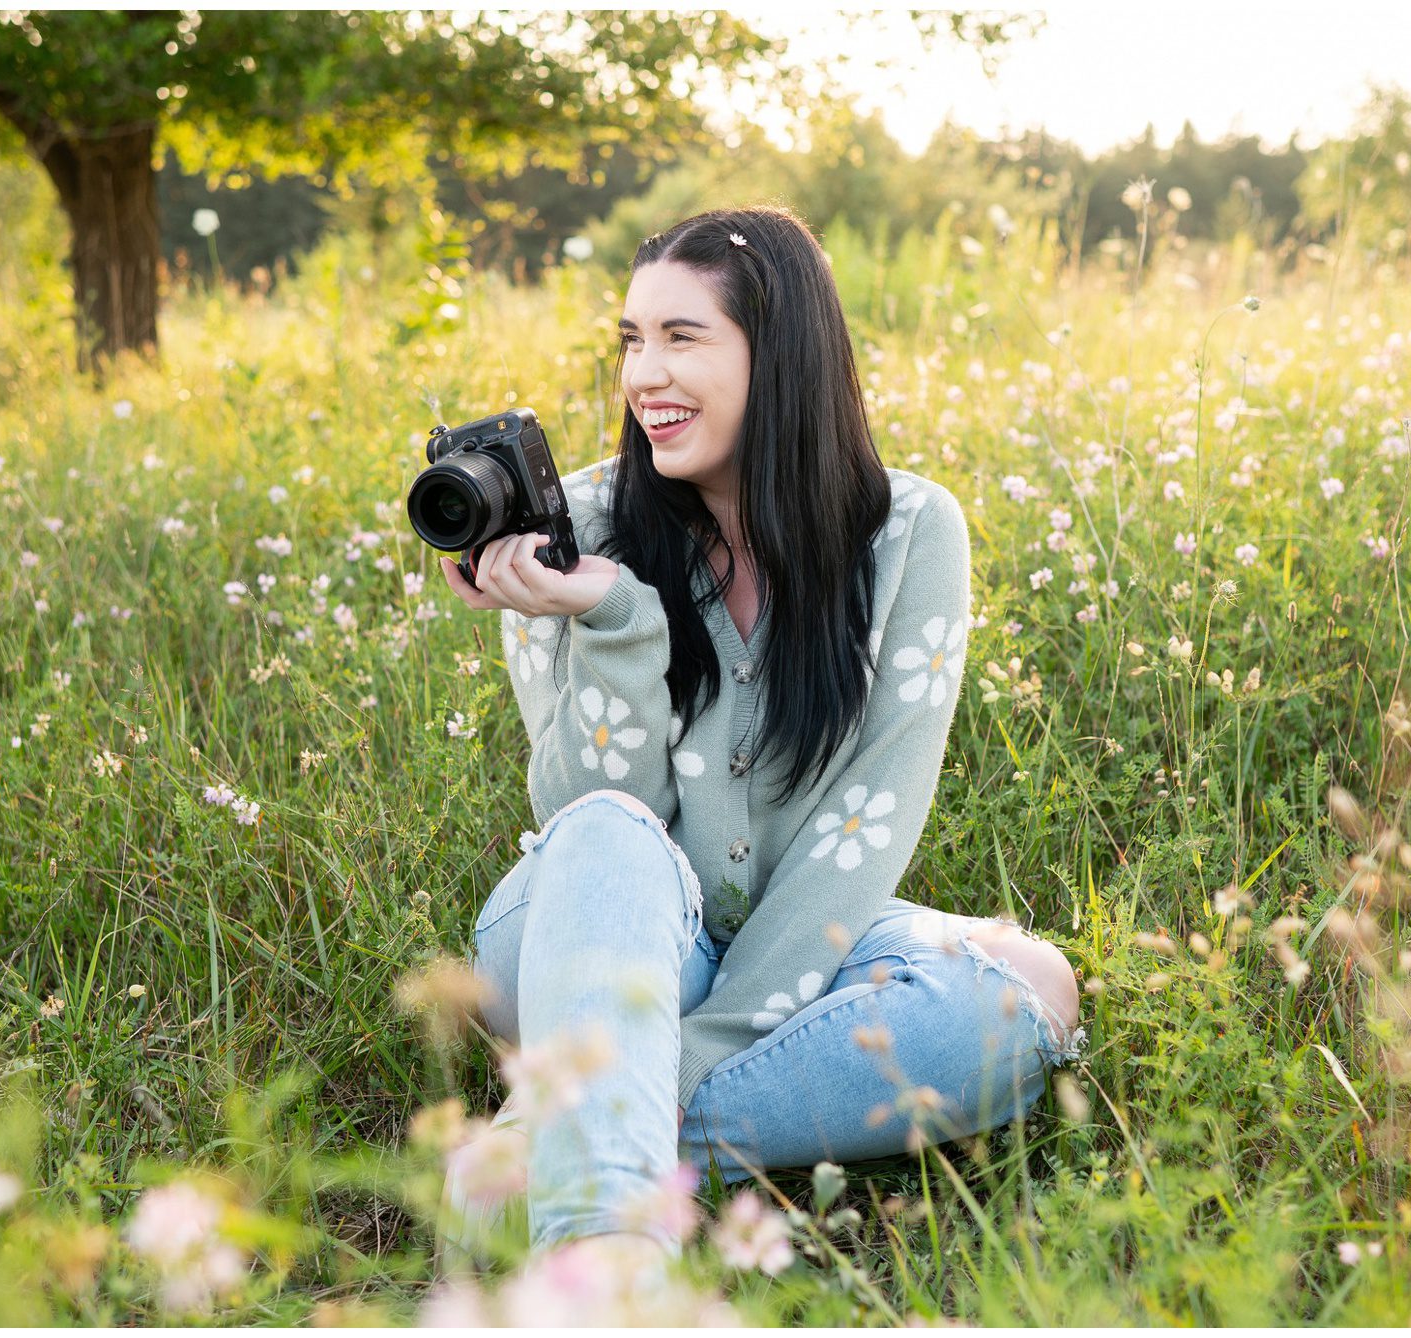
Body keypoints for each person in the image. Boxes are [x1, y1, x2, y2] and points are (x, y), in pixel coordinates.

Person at [436, 205, 1084, 1280]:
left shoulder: (910, 533)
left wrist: (683, 1050)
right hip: (589, 927)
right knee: (611, 829)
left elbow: (863, 828)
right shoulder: (573, 529)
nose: (644, 374)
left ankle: (567, 1135)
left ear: (777, 349)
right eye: (631, 340)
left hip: (793, 934)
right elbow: (582, 816)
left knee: (1030, 992)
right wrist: (610, 617)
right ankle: (607, 1258)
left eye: (682, 337)